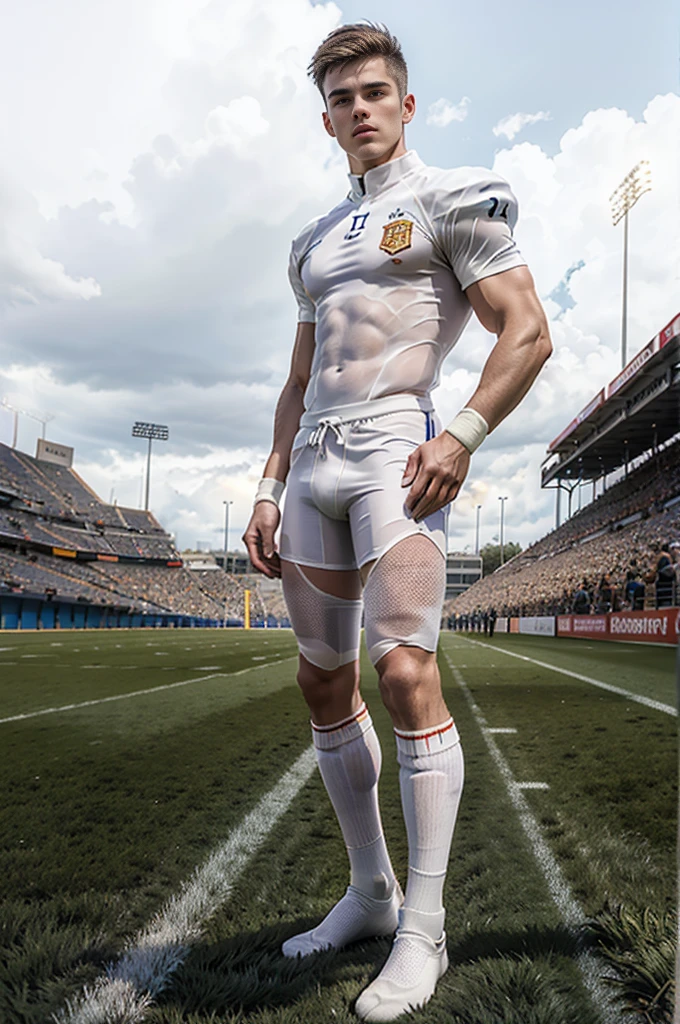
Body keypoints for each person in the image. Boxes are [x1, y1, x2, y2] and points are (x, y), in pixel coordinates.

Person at [242, 22, 552, 1021]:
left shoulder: (451, 196)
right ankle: (370, 895)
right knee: (319, 678)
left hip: (393, 449)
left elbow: (527, 329)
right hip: (314, 465)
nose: (358, 108)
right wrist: (266, 481)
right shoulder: (311, 242)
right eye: (340, 97)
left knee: (404, 668)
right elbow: (296, 380)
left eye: (374, 91)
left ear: (404, 102)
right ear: (324, 115)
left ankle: (423, 928)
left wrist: (459, 435)